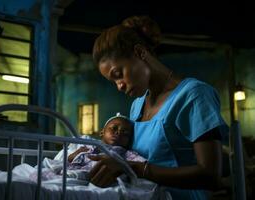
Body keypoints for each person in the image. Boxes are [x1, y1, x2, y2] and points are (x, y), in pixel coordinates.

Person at [89, 15, 229, 200]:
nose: (119, 86)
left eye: (118, 74)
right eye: (113, 82)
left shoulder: (193, 95)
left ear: (140, 53)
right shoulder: (137, 106)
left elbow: (210, 175)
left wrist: (133, 168)